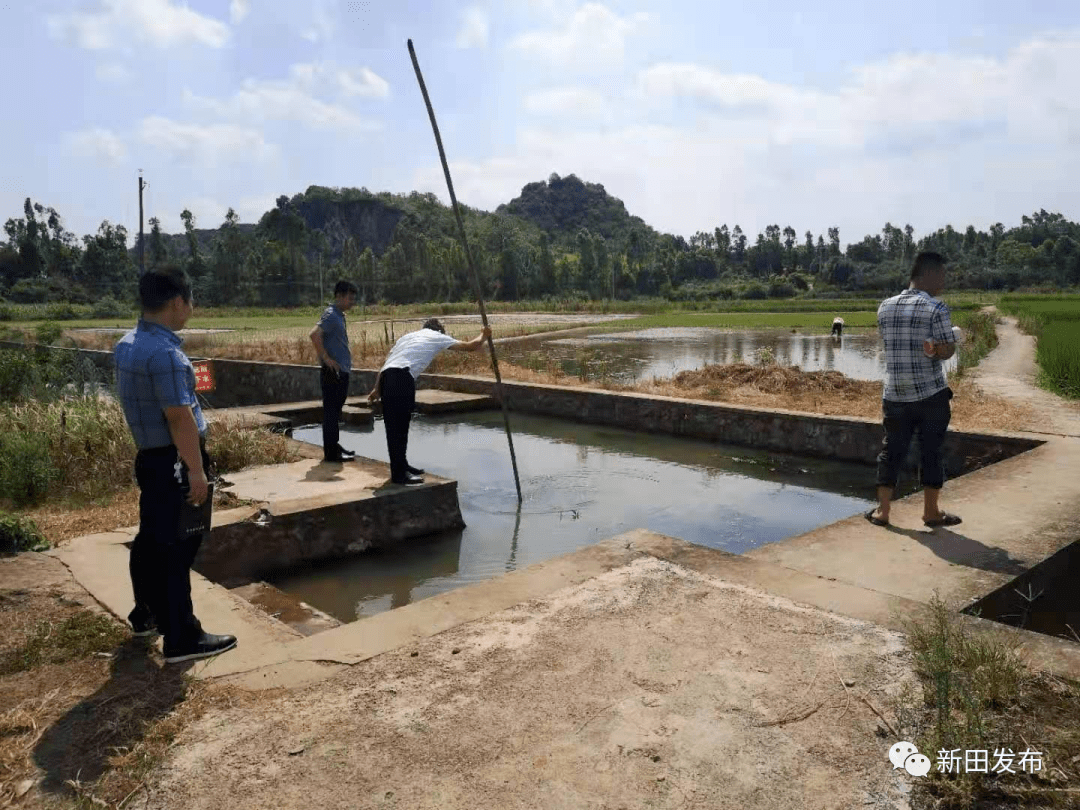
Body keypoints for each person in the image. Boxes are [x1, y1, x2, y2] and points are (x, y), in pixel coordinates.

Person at [114, 267, 237, 664]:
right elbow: (179, 417)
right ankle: (182, 636)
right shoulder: (166, 354)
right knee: (179, 546)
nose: (191, 307)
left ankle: (145, 614)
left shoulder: (127, 344)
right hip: (174, 461)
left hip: (150, 458)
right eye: (189, 300)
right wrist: (197, 471)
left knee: (151, 536)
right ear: (176, 302)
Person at [866, 251, 962, 529]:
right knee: (931, 450)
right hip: (930, 394)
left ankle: (883, 512)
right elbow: (944, 352)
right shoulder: (936, 308)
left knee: (891, 451)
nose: (944, 282)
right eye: (942, 276)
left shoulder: (885, 307)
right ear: (928, 275)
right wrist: (949, 343)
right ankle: (931, 513)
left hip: (895, 394)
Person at [367, 319, 491, 485]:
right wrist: (484, 334)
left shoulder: (407, 337)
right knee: (400, 429)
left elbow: (387, 364)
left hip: (387, 378)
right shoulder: (437, 336)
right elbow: (470, 346)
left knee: (394, 428)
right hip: (402, 379)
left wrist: (377, 389)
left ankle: (401, 466)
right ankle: (399, 476)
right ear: (439, 330)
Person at [309, 281, 358, 462]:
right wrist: (326, 359)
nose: (353, 302)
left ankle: (334, 447)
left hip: (340, 371)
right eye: (350, 298)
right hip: (333, 373)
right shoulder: (331, 315)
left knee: (335, 412)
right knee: (331, 413)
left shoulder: (339, 315)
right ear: (339, 296)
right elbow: (314, 334)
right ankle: (331, 453)